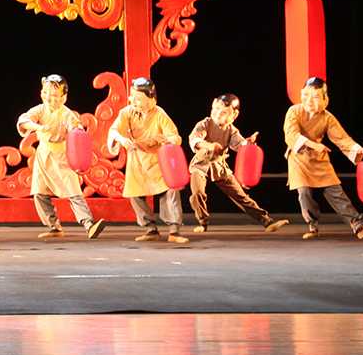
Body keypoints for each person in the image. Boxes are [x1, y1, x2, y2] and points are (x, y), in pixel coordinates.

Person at [284, 77, 363, 239]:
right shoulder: (294, 111)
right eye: (306, 95)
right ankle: (312, 226)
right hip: (298, 159)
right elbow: (291, 135)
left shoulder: (327, 117)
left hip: (319, 158)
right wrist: (313, 145)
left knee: (336, 192)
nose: (309, 100)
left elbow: (342, 139)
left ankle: (358, 225)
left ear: (325, 99)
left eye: (315, 97)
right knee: (304, 192)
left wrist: (358, 149)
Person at [16, 74, 107, 239]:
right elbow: (24, 120)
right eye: (46, 93)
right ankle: (54, 226)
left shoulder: (67, 114)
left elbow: (77, 132)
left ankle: (88, 224)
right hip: (43, 156)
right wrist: (38, 127)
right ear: (41, 93)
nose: (49, 98)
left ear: (64, 97)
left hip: (62, 157)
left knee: (73, 192)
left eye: (54, 95)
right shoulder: (40, 110)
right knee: (39, 192)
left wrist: (78, 139)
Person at [187, 93, 289, 234]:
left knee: (240, 196)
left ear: (234, 115)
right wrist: (209, 146)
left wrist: (248, 144)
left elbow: (240, 146)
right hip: (200, 164)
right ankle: (202, 222)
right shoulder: (205, 124)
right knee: (197, 193)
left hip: (219, 167)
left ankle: (266, 221)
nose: (218, 113)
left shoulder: (232, 131)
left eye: (223, 112)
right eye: (216, 109)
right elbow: (194, 140)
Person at [106, 77, 188, 243]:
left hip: (158, 160)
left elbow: (175, 136)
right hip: (137, 159)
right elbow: (114, 131)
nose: (133, 101)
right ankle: (150, 229)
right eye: (132, 97)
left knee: (170, 191)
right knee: (135, 194)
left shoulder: (159, 114)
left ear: (151, 99)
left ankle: (174, 230)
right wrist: (122, 139)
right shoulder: (127, 112)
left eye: (138, 99)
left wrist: (168, 140)